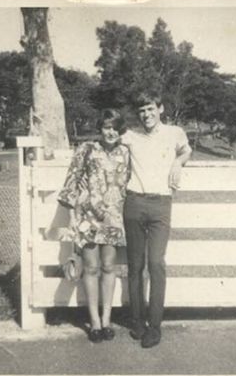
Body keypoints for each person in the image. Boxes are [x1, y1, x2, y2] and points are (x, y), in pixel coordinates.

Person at [122, 91, 192, 348]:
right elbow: (106, 140)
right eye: (142, 110)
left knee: (155, 263)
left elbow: (186, 151)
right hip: (134, 202)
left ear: (160, 108)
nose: (146, 115)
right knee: (135, 264)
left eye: (151, 109)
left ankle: (155, 325)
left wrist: (178, 163)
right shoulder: (130, 135)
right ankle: (137, 320)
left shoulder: (175, 132)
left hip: (161, 204)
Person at [58, 109, 130, 343]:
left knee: (109, 267)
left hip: (113, 217)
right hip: (87, 218)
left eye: (116, 128)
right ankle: (95, 322)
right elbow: (71, 183)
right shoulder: (86, 150)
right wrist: (71, 218)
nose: (111, 132)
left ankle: (107, 320)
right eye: (107, 127)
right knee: (90, 268)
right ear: (100, 128)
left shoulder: (125, 152)